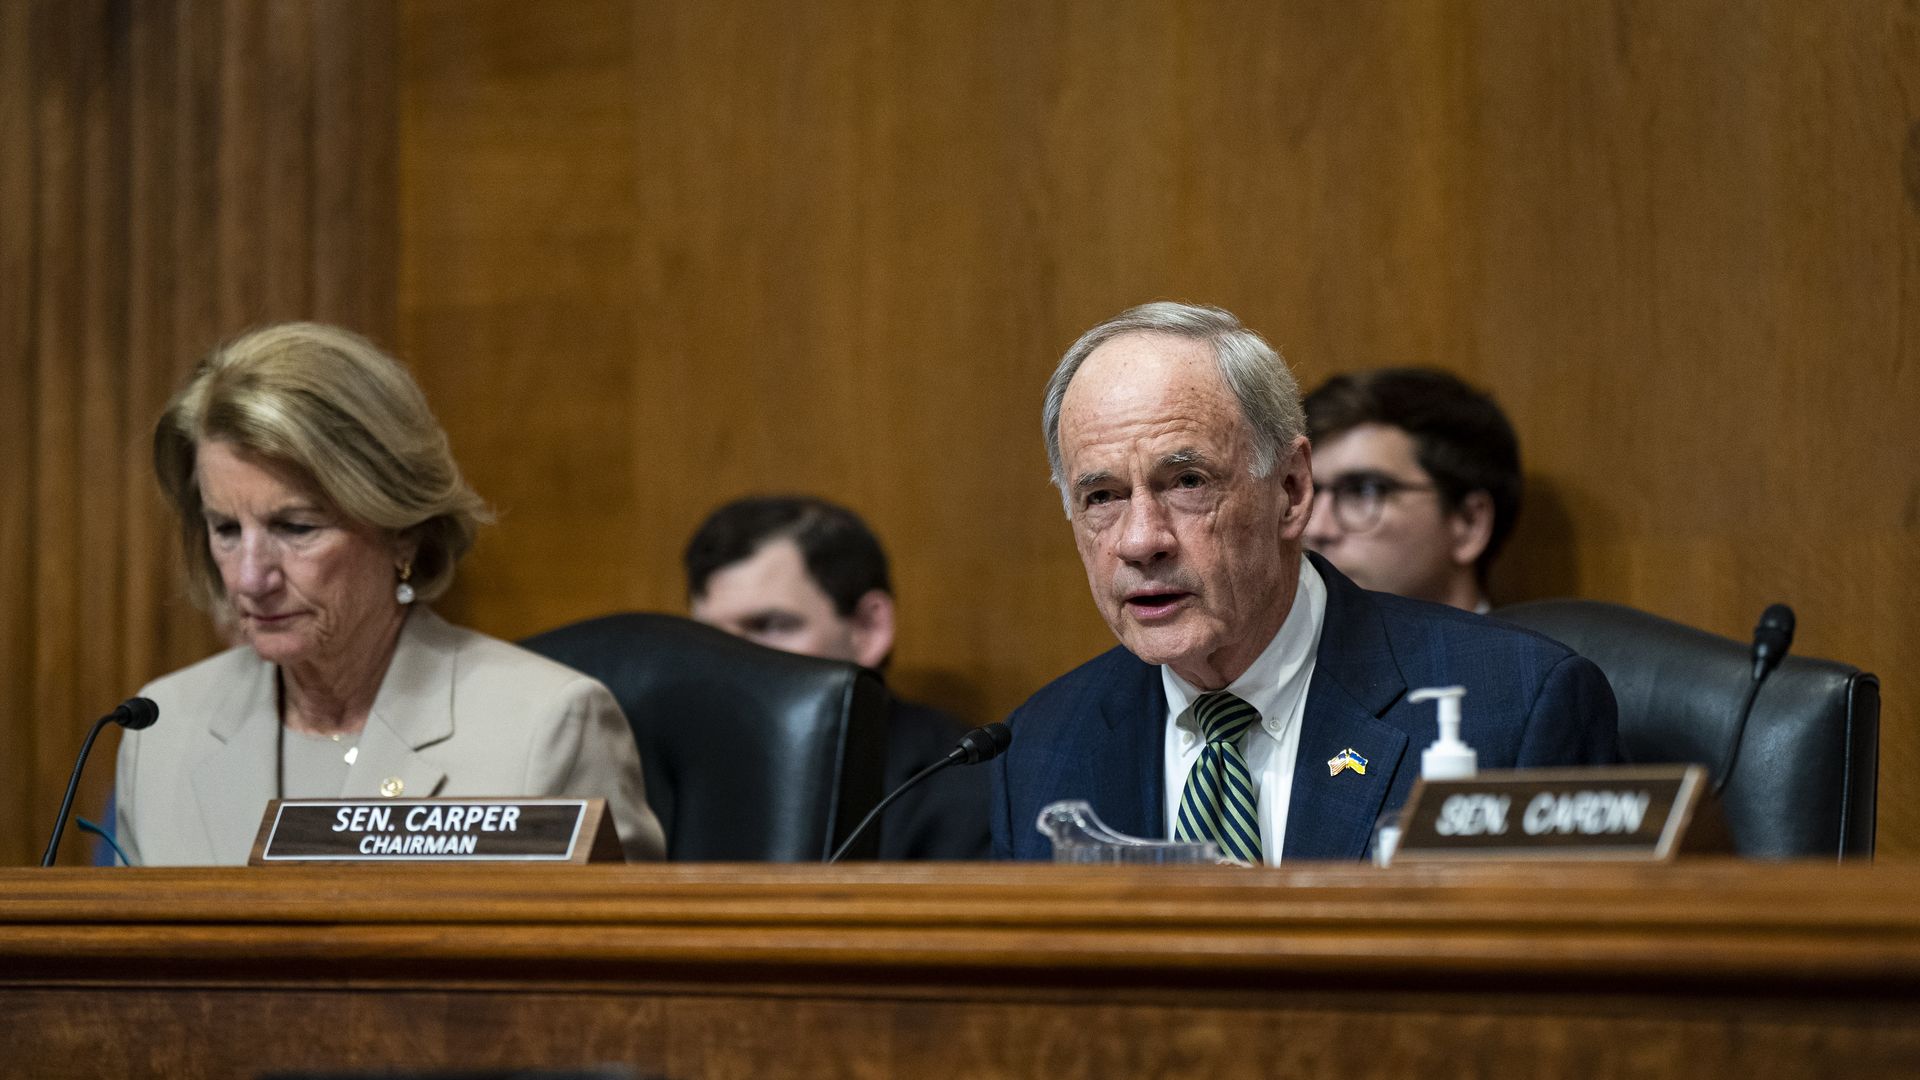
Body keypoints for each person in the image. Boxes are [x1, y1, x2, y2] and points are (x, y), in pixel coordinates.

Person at [990, 302, 1617, 863]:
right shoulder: (1040, 748)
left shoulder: (1516, 706)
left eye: (1187, 483)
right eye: (1102, 496)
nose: (1140, 540)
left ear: (1291, 491)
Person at [117, 322, 666, 866]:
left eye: (298, 528)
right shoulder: (162, 731)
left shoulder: (546, 730)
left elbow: (612, 953)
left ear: (400, 528)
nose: (249, 578)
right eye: (227, 530)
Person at [685, 496, 990, 859]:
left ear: (868, 628)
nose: (727, 662)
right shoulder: (678, 775)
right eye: (709, 639)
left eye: (769, 626)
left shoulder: (963, 784)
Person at [1302, 368, 1521, 612]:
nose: (1314, 529)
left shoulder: (1533, 651)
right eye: (1307, 490)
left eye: (1364, 491)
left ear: (1469, 524)